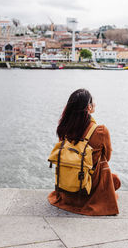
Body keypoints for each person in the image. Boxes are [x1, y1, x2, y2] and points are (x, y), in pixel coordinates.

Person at [48, 88, 121, 216]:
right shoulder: (100, 131)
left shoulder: (63, 129)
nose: (95, 104)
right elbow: (107, 157)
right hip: (88, 191)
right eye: (93, 102)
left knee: (113, 178)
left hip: (66, 190)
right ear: (89, 107)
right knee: (111, 175)